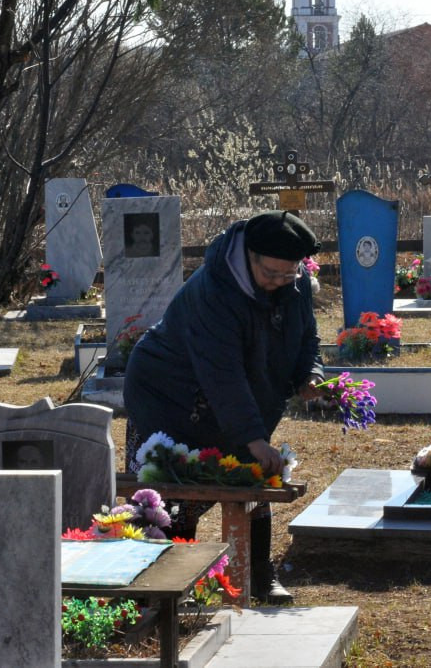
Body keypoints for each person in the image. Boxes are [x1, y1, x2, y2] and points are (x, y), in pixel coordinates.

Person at [124, 210, 324, 604]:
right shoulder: (213, 292)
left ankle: (258, 575)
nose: (280, 282)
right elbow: (222, 375)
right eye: (272, 274)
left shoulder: (289, 284)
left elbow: (307, 338)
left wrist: (309, 377)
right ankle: (168, 585)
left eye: (290, 274)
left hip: (230, 397)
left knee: (253, 477)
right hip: (169, 395)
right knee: (176, 484)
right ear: (249, 257)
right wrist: (252, 438)